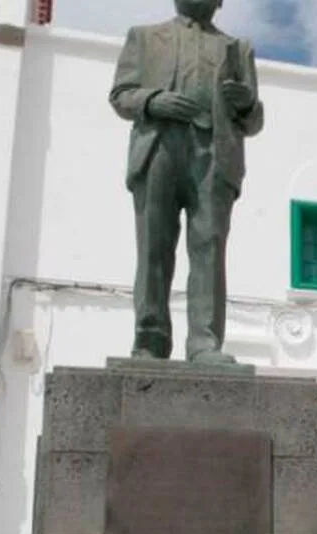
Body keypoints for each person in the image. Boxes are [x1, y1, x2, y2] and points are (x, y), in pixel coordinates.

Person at [109, 0, 265, 362]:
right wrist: (152, 101)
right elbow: (120, 95)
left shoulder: (238, 49)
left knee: (209, 249)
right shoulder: (145, 38)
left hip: (214, 152)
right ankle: (150, 340)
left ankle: (204, 342)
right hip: (159, 147)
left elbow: (253, 121)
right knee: (153, 248)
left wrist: (244, 104)